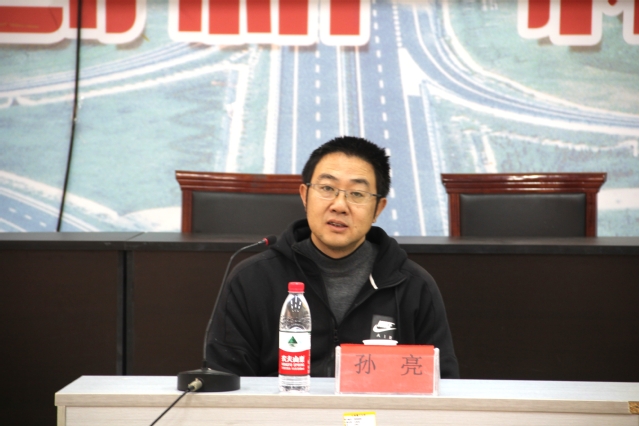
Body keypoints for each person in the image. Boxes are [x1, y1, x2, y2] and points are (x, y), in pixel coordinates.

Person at [206, 136, 459, 378]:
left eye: (357, 194)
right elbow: (226, 383)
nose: (339, 205)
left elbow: (441, 385)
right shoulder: (252, 280)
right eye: (327, 188)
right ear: (305, 196)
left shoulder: (413, 286)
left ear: (378, 209)